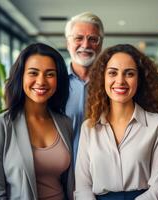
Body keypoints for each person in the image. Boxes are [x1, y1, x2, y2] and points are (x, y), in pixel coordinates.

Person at [74, 44, 158, 200]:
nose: (120, 81)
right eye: (112, 73)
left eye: (129, 74)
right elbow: (82, 187)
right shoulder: (89, 127)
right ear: (103, 78)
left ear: (139, 80)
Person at [0, 43, 74, 200]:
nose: (41, 81)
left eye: (50, 74)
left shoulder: (64, 123)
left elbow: (69, 182)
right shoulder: (0, 125)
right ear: (21, 76)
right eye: (33, 73)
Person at [64, 12, 104, 161]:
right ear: (68, 44)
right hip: (60, 176)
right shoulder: (54, 84)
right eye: (78, 38)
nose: (85, 45)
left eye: (93, 39)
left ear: (100, 44)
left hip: (101, 175)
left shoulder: (112, 86)